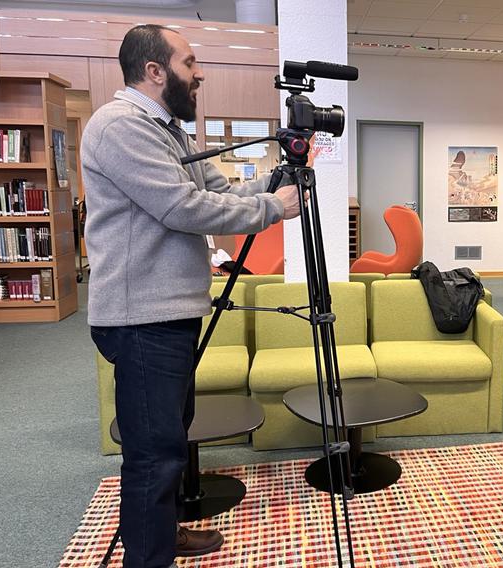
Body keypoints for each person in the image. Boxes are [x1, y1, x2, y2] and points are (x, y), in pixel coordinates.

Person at [81, 25, 306, 568]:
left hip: (170, 313)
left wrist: (277, 182)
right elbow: (183, 208)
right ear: (155, 71)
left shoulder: (170, 132)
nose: (199, 72)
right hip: (140, 319)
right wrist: (276, 208)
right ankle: (149, 556)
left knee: (171, 442)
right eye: (190, 62)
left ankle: (162, 533)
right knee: (154, 456)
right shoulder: (119, 127)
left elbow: (222, 193)